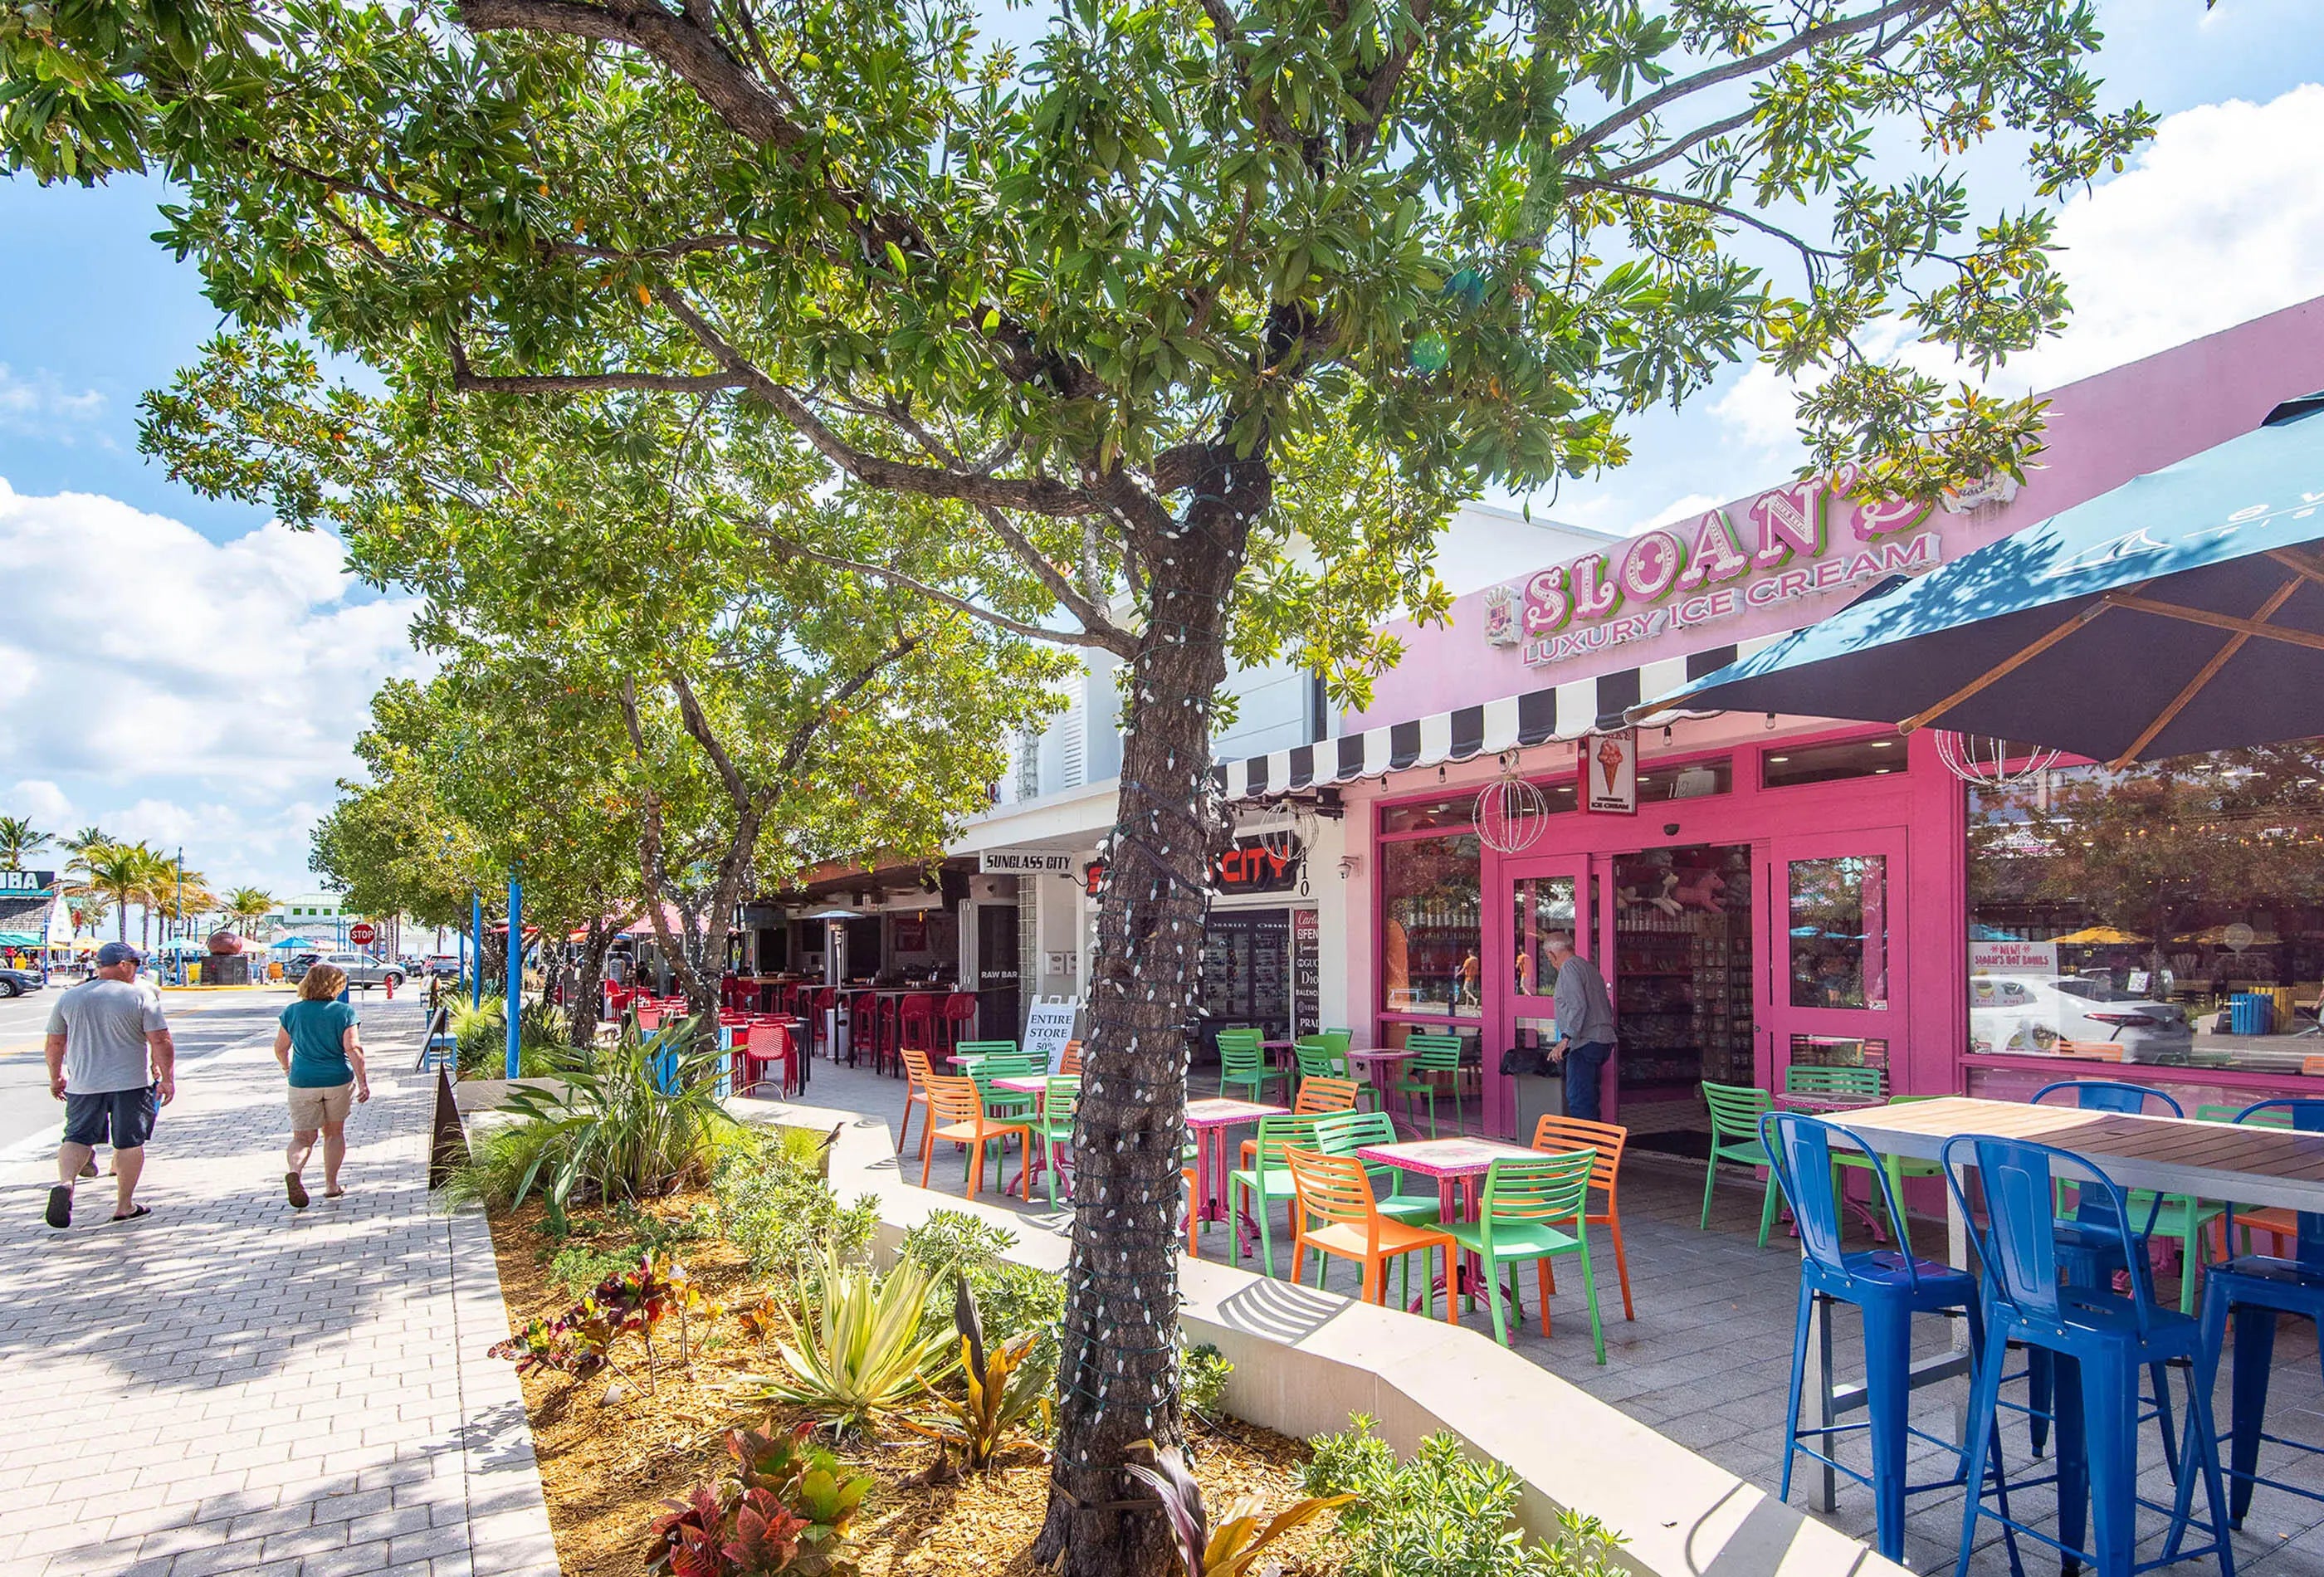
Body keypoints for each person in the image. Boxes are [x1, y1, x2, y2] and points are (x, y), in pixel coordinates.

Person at [42, 940, 175, 1228]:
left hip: (83, 1083)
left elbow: (55, 1043)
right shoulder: (140, 996)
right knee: (129, 1143)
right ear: (124, 965)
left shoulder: (70, 997)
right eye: (136, 964)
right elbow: (161, 1040)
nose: (138, 969)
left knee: (76, 1137)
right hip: (131, 1083)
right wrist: (167, 1079)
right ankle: (124, 1205)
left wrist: (56, 1077)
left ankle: (66, 1184)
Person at [274, 963, 370, 1206]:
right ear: (336, 986)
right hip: (337, 1080)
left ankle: (295, 1172)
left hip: (302, 1081)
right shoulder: (343, 1012)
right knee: (334, 1133)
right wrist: (363, 1082)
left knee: (303, 1138)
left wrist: (287, 1069)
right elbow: (353, 1048)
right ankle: (331, 1185)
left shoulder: (292, 1012)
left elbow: (281, 1048)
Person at [1540, 930, 1617, 1125]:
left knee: (1579, 1100)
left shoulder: (1569, 969)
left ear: (1552, 954)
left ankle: (1586, 1143)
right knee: (1589, 1098)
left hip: (1585, 1041)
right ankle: (1595, 1141)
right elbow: (1606, 1005)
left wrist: (1566, 1038)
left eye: (1549, 959)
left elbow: (1577, 1005)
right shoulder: (1588, 967)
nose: (1552, 964)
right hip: (1603, 1038)